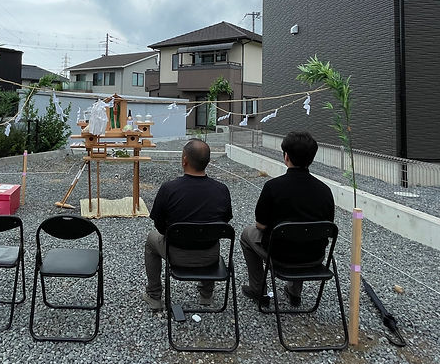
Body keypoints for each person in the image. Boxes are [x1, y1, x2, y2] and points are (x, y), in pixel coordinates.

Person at [240, 131, 334, 306]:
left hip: (279, 256)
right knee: (305, 233)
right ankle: (294, 292)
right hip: (314, 256)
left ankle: (258, 290)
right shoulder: (325, 190)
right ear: (311, 159)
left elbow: (260, 225)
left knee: (247, 234)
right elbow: (327, 229)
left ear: (286, 157)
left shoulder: (273, 187)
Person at [143, 139, 233, 311]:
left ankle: (154, 295)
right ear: (208, 161)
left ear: (184, 160)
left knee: (151, 240)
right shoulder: (222, 189)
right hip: (210, 256)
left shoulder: (169, 188)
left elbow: (159, 225)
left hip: (176, 253)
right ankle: (206, 294)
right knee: (210, 232)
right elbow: (224, 222)